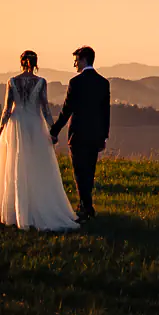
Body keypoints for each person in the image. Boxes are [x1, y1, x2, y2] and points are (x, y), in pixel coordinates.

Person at [0, 50, 79, 231]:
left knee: (14, 165)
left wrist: (0, 130)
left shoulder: (12, 82)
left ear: (21, 62)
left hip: (16, 125)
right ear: (35, 63)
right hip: (34, 124)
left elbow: (7, 109)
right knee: (36, 165)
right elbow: (45, 108)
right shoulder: (40, 82)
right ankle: (33, 205)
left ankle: (14, 209)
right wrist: (52, 130)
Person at [50, 45, 110, 222]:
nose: (74, 64)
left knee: (79, 172)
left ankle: (86, 208)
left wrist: (54, 130)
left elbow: (67, 110)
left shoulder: (75, 83)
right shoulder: (103, 82)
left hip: (77, 134)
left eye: (76, 60)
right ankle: (85, 205)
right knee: (89, 172)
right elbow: (105, 112)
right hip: (95, 135)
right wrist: (104, 136)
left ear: (83, 60)